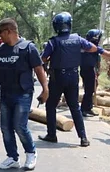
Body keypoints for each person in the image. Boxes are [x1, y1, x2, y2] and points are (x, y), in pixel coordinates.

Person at [0, 18, 48, 170]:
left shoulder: (28, 48)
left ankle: (31, 152)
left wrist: (45, 88)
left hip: (23, 94)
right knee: (5, 127)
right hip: (6, 93)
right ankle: (12, 157)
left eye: (1, 32)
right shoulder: (2, 49)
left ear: (9, 31)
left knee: (20, 126)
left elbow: (39, 69)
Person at [39, 12, 97, 147]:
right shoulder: (78, 39)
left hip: (57, 77)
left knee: (51, 105)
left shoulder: (53, 42)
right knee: (74, 107)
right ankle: (83, 138)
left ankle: (52, 134)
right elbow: (93, 48)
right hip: (73, 76)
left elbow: (42, 58)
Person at [80, 29, 110, 117]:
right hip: (88, 70)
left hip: (86, 70)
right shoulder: (93, 47)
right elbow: (109, 54)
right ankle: (84, 109)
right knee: (89, 90)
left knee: (90, 90)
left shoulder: (84, 45)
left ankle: (89, 107)